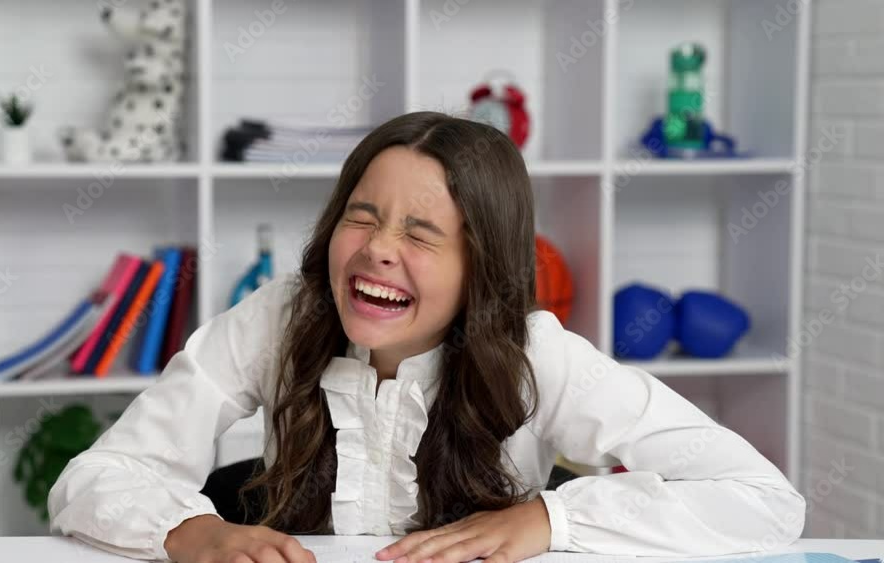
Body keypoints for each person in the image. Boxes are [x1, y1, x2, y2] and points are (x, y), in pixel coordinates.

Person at [48, 112, 805, 563]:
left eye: (421, 232)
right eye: (362, 215)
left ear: (483, 264)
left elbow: (764, 500)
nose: (380, 248)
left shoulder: (538, 355)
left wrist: (550, 517)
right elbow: (90, 478)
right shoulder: (281, 316)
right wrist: (190, 529)